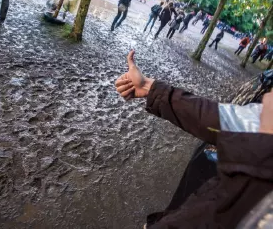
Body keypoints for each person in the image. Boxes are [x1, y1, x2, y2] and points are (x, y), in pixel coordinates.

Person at [115, 50, 273, 229]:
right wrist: (150, 88)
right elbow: (222, 119)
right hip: (201, 186)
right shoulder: (265, 82)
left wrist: (263, 153)